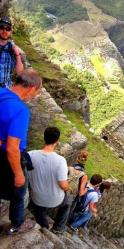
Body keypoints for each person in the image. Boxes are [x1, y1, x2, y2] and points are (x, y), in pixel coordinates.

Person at [0, 69, 42, 234]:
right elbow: (12, 148)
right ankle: (15, 225)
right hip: (6, 157)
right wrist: (18, 174)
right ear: (31, 88)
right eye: (36, 92)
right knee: (19, 193)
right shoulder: (20, 110)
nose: (34, 96)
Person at [28, 127, 70, 233]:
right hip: (55, 200)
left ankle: (44, 225)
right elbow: (63, 185)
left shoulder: (30, 155)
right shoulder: (60, 161)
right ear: (57, 141)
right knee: (68, 202)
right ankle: (58, 227)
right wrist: (68, 187)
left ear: (44, 138)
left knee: (39, 209)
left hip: (36, 198)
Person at [0, 16, 24, 88]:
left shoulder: (12, 48)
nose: (4, 31)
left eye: (8, 29)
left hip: (6, 87)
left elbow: (19, 73)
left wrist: (17, 55)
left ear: (10, 32)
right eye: (1, 28)